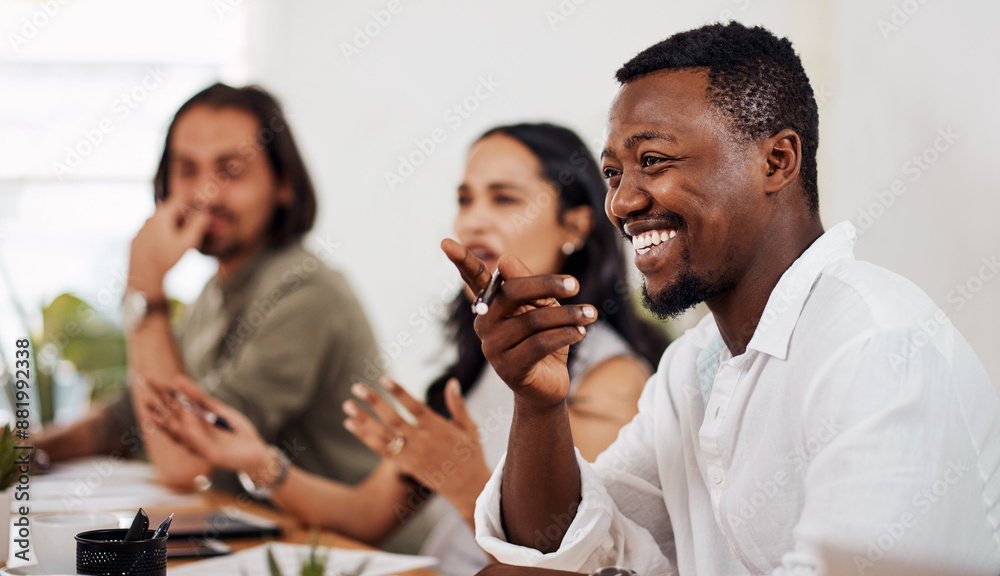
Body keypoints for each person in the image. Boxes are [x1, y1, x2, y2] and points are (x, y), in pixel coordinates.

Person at [447, 23, 1000, 576]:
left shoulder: (873, 344)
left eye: (654, 161)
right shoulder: (693, 367)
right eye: (613, 173)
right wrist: (538, 406)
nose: (623, 201)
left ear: (777, 161)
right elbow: (563, 551)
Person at [143, 123, 669, 576]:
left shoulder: (613, 379)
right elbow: (367, 511)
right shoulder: (473, 368)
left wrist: (462, 483)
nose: (473, 221)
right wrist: (259, 462)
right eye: (466, 199)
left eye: (504, 198)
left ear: (576, 223)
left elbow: (581, 563)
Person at [35, 83, 382, 495]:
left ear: (283, 184)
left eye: (231, 170)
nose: (205, 194)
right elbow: (127, 417)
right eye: (187, 170)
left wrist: (145, 288)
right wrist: (25, 450)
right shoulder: (214, 293)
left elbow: (187, 461)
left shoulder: (308, 296)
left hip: (356, 551)